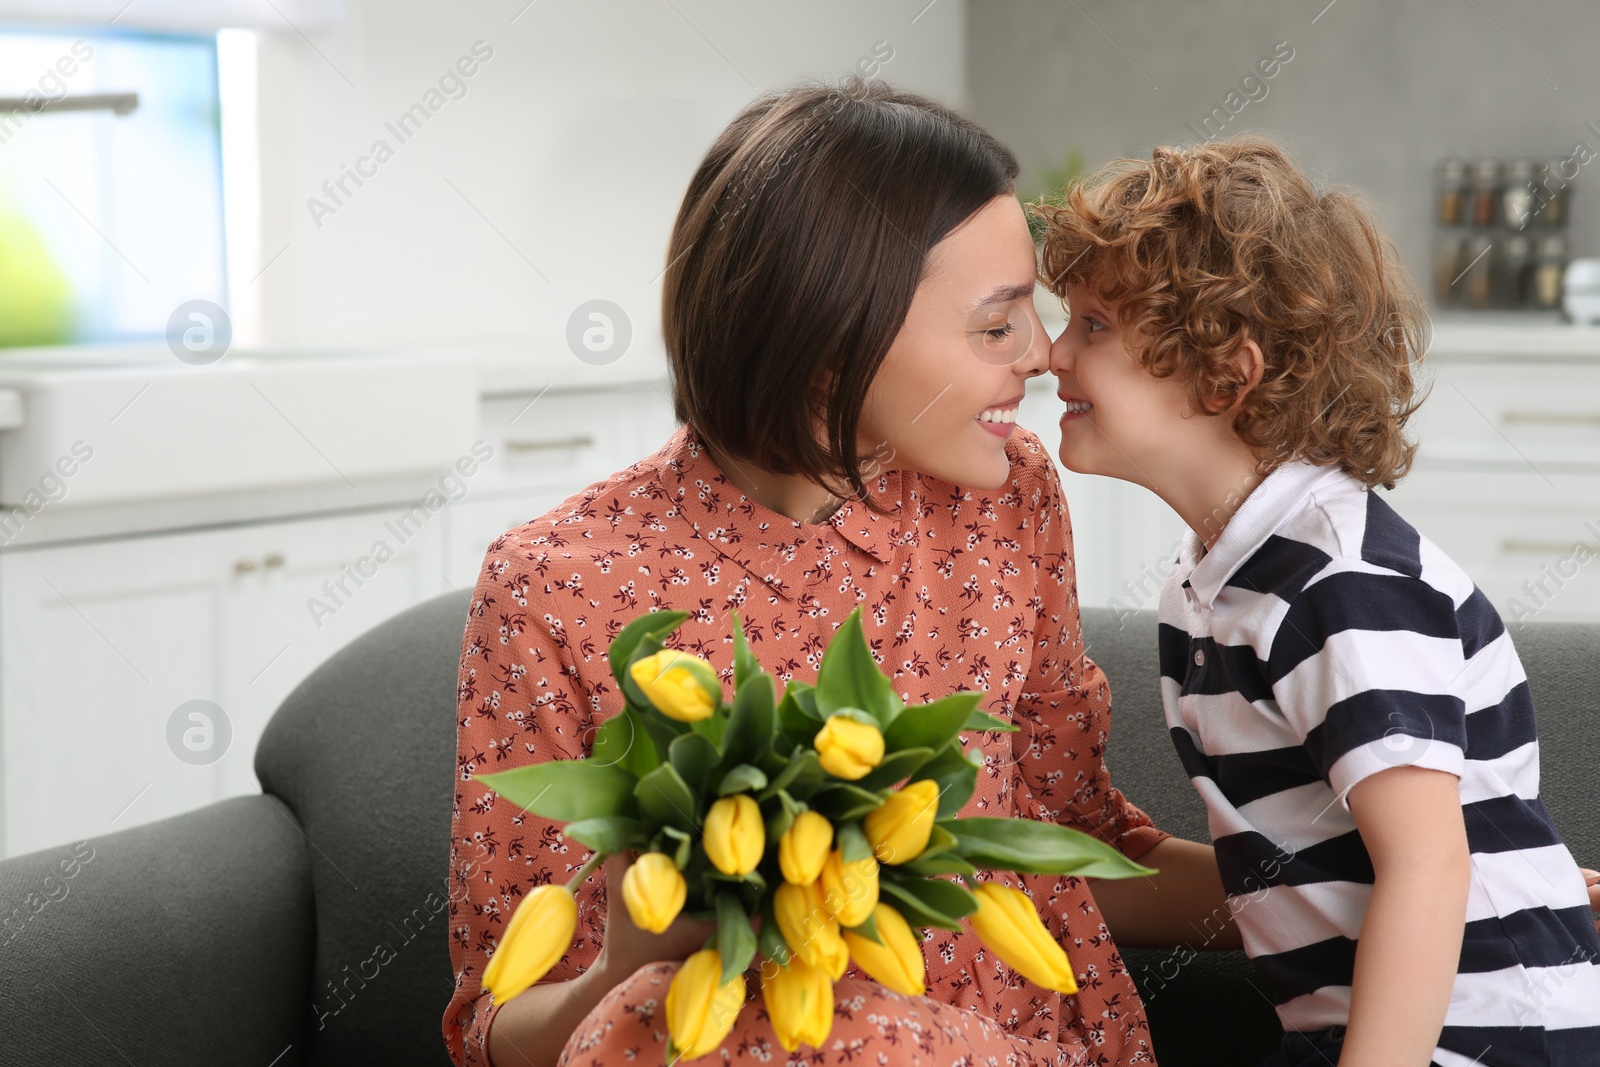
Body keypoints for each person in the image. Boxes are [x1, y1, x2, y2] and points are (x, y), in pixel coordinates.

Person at [444, 77, 1235, 1067]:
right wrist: (620, 968)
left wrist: (1384, 894)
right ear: (829, 348)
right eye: (996, 325)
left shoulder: (1006, 499)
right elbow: (492, 1030)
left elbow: (1069, 850)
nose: (1042, 353)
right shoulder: (554, 585)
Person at [1037, 135, 1600, 1067]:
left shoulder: (1340, 584)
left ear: (1229, 372)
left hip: (1489, 1039)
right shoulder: (1214, 584)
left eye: (1094, 324)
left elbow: (1427, 866)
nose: (1051, 352)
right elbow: (1277, 879)